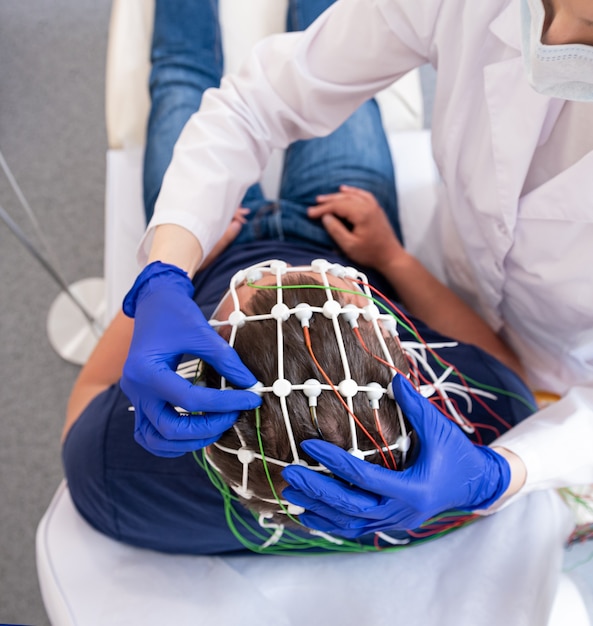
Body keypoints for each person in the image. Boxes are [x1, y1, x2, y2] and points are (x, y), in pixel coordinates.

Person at [62, 0, 536, 554]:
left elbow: (91, 391)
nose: (276, 268)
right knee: (329, 29)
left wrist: (165, 277)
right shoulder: (461, 468)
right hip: (344, 227)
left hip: (208, 249)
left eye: (256, 290)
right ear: (400, 356)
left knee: (178, 78)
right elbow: (509, 370)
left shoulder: (120, 482)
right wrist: (391, 259)